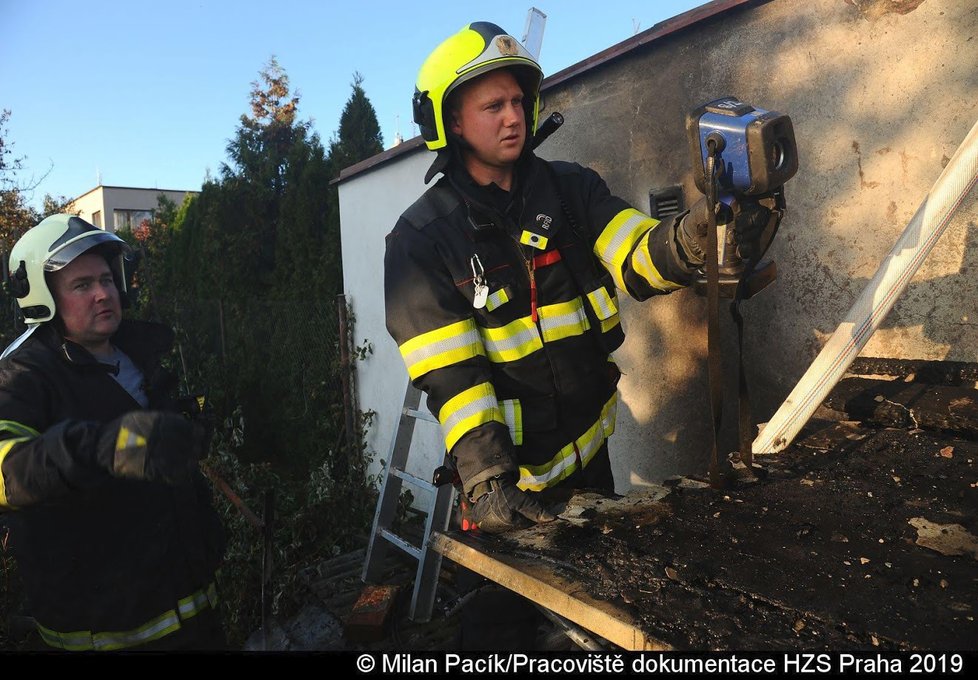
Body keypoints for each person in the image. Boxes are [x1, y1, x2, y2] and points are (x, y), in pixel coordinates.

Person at [384, 22, 777, 649]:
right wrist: (486, 478)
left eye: (519, 101)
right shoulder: (422, 239)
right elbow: (450, 370)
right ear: (451, 122)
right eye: (492, 105)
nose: (513, 117)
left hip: (591, 463)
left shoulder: (571, 189)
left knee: (596, 625)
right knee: (511, 629)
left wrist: (695, 239)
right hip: (511, 490)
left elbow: (635, 250)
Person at [0, 214, 226, 651]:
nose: (104, 293)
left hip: (193, 607)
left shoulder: (135, 350)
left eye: (106, 278)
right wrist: (98, 449)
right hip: (106, 629)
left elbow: (147, 449)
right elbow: (6, 470)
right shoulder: (22, 374)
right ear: (42, 297)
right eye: (82, 285)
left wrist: (184, 433)